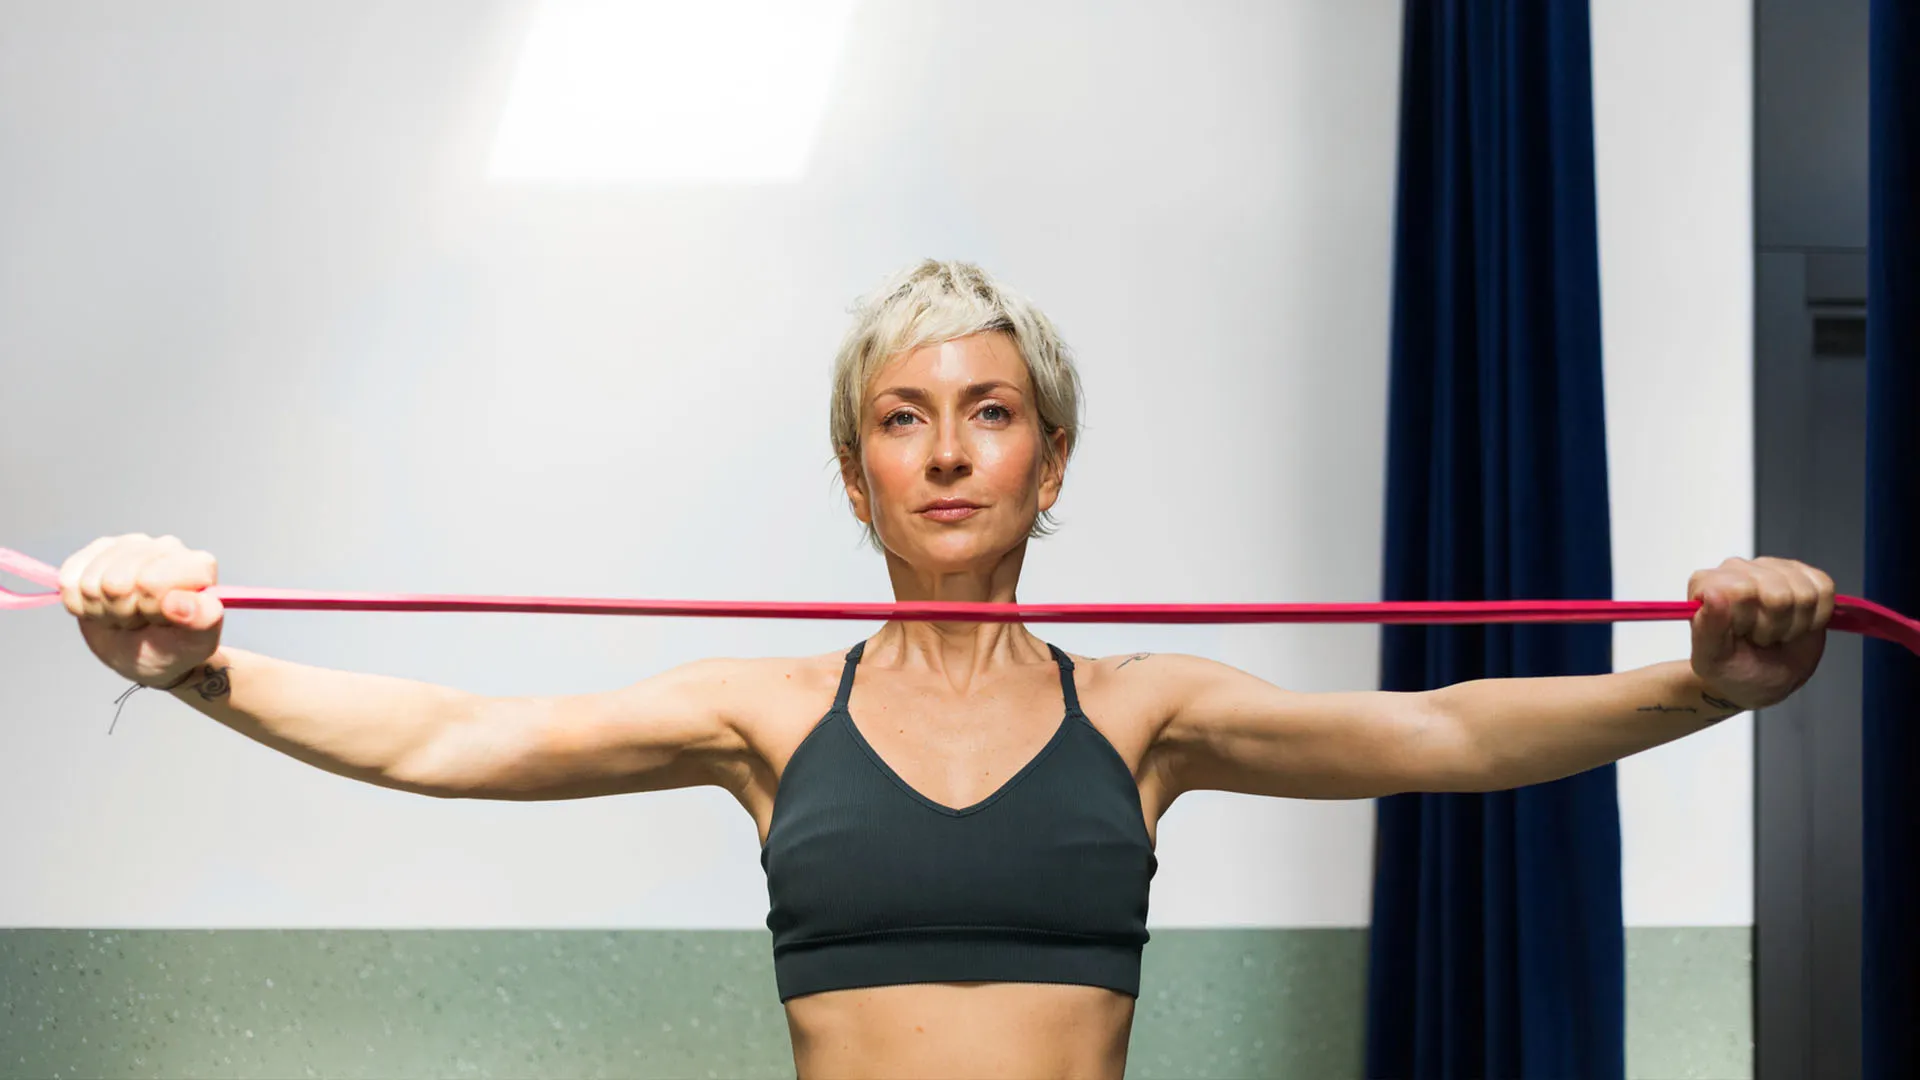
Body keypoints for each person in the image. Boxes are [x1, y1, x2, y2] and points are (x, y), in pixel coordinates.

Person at [57, 260, 1833, 1080]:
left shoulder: (1145, 711)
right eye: (904, 421)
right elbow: (453, 733)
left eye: (992, 414)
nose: (951, 449)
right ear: (858, 475)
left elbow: (1443, 728)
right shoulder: (768, 715)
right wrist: (198, 665)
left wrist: (1708, 683)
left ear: (1050, 463)